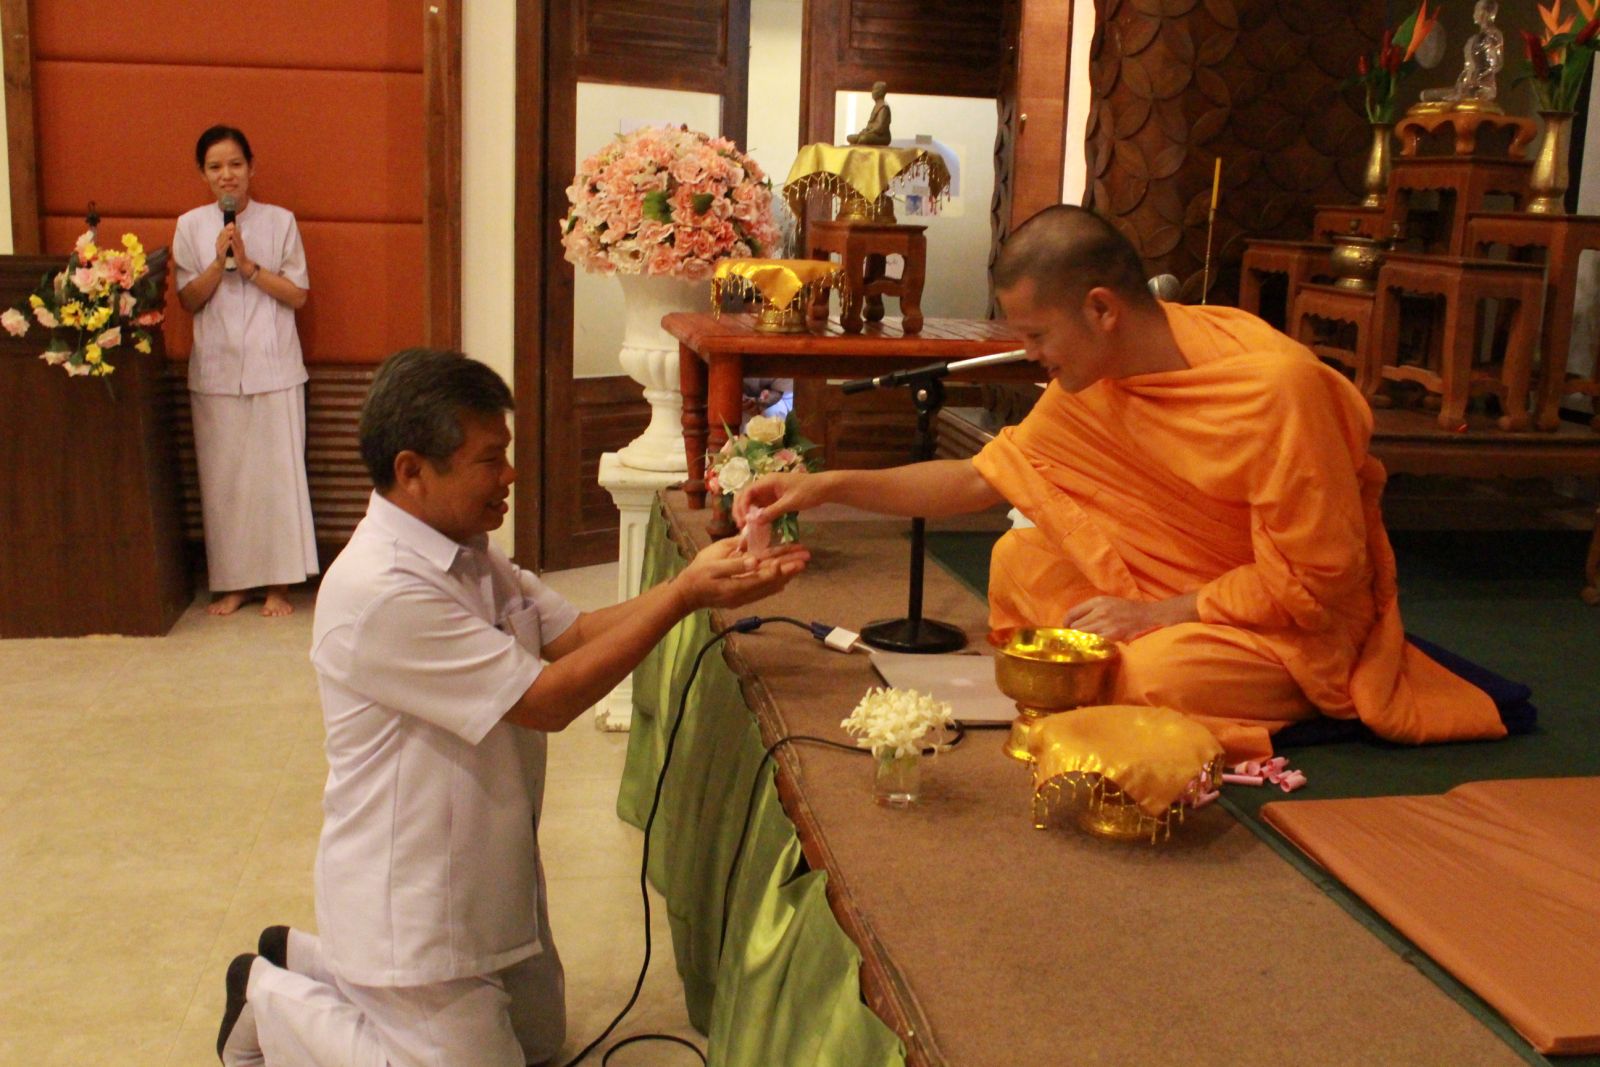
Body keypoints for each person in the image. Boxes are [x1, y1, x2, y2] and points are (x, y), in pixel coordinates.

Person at [736, 204, 1508, 760]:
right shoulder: (1098, 380)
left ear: (1101, 309)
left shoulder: (1276, 390)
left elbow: (1320, 581)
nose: (1031, 355)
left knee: (1149, 672)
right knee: (1017, 561)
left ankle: (1228, 686)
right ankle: (1117, 660)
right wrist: (826, 485)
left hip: (1276, 627)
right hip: (1174, 595)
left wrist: (1159, 612)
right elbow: (976, 480)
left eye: (1037, 335)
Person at [215, 348, 806, 1066]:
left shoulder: (467, 550)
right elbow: (545, 702)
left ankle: (307, 959)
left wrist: (696, 580)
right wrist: (684, 597)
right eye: (490, 459)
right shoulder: (382, 589)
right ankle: (268, 998)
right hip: (409, 907)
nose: (511, 475)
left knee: (539, 1043)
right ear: (412, 471)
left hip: (485, 876)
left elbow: (575, 635)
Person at [174, 125, 317, 617]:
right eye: (215, 167)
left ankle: (279, 585)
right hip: (215, 371)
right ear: (203, 174)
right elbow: (188, 299)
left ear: (251, 168)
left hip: (274, 368)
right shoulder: (190, 226)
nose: (227, 175)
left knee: (276, 481)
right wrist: (219, 263)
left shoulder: (280, 221)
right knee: (226, 484)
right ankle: (234, 584)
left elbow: (298, 294)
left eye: (235, 164)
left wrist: (250, 266)